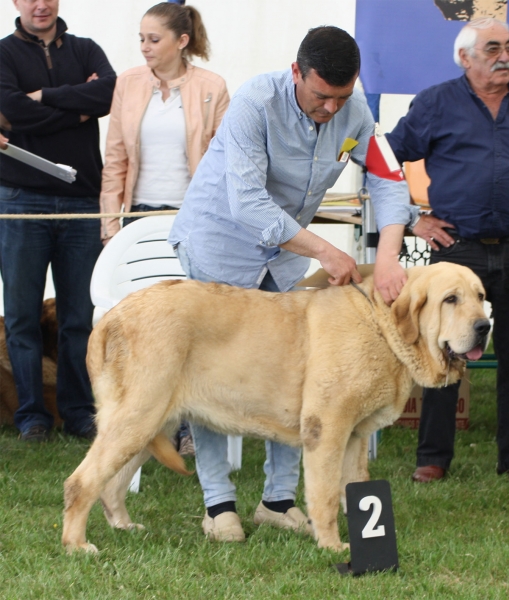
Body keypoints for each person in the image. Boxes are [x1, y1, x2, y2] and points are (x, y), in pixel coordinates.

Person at [168, 25, 417, 542]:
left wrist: (388, 257)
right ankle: (219, 506)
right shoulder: (254, 103)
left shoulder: (356, 111)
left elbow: (389, 180)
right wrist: (326, 250)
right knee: (212, 375)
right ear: (296, 73)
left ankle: (278, 501)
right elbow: (249, 203)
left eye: (341, 97)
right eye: (320, 96)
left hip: (286, 259)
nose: (330, 109)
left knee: (298, 375)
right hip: (219, 241)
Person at [386, 17, 509, 483]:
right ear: (465, 57)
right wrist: (415, 218)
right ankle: (432, 459)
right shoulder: (435, 103)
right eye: (492, 49)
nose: (504, 56)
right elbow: (386, 159)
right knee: (441, 353)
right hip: (456, 252)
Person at [0, 0, 116, 442]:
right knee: (22, 315)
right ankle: (31, 417)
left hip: (82, 201)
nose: (40, 4)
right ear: (15, 2)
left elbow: (109, 92)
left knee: (78, 317)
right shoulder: (4, 53)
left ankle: (79, 412)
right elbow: (9, 106)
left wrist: (42, 99)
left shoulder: (87, 49)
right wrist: (77, 108)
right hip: (19, 199)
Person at [99, 2, 229, 242]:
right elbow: (114, 161)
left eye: (154, 40)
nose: (145, 48)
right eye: (141, 39)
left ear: (182, 41)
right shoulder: (127, 82)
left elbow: (225, 161)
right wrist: (110, 227)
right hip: (137, 214)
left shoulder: (213, 86)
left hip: (193, 214)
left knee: (188, 282)